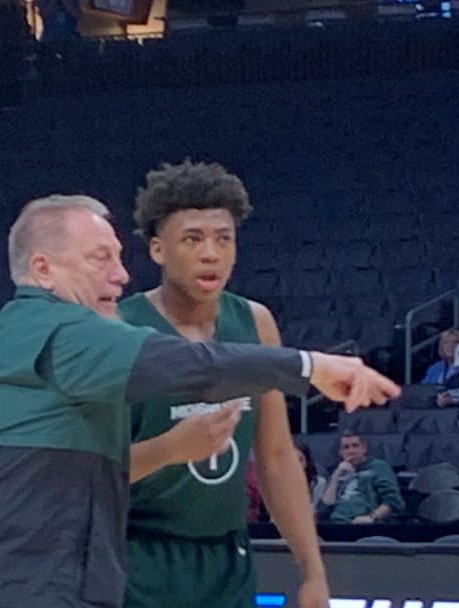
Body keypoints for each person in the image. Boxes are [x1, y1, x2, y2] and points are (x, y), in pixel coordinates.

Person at [0, 194, 399, 608]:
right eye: (100, 259)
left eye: (118, 256)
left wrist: (312, 569)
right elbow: (189, 366)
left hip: (27, 575)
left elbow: (73, 473)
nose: (121, 273)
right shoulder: (58, 329)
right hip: (31, 583)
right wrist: (311, 366)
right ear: (43, 270)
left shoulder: (17, 335)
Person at [120, 160, 329, 608]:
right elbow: (93, 471)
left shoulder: (255, 322)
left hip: (227, 558)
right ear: (157, 250)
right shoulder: (120, 330)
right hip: (137, 554)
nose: (211, 253)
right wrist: (172, 448)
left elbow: (274, 456)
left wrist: (312, 569)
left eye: (223, 239)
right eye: (192, 239)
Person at [317, 430, 404, 524]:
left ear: (364, 448)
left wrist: (371, 517)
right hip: (336, 524)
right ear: (340, 452)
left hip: (366, 525)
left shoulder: (378, 467)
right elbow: (325, 507)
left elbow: (393, 502)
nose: (351, 451)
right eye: (346, 447)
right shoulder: (338, 470)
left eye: (355, 446)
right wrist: (335, 476)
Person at [296, 441, 327, 507]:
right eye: (293, 460)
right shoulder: (280, 484)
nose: (296, 465)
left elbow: (318, 511)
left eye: (300, 460)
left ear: (306, 462)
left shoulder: (319, 483)